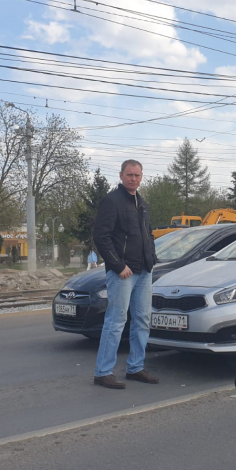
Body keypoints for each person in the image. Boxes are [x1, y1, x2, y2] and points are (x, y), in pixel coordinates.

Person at [92, 159, 158, 389]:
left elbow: (147, 234)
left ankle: (136, 367)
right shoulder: (112, 201)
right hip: (123, 273)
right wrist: (118, 265)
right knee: (116, 321)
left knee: (142, 320)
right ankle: (103, 372)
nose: (134, 179)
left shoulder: (143, 203)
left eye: (137, 175)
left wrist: (152, 259)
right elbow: (101, 237)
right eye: (129, 175)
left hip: (144, 270)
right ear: (121, 176)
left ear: (142, 177)